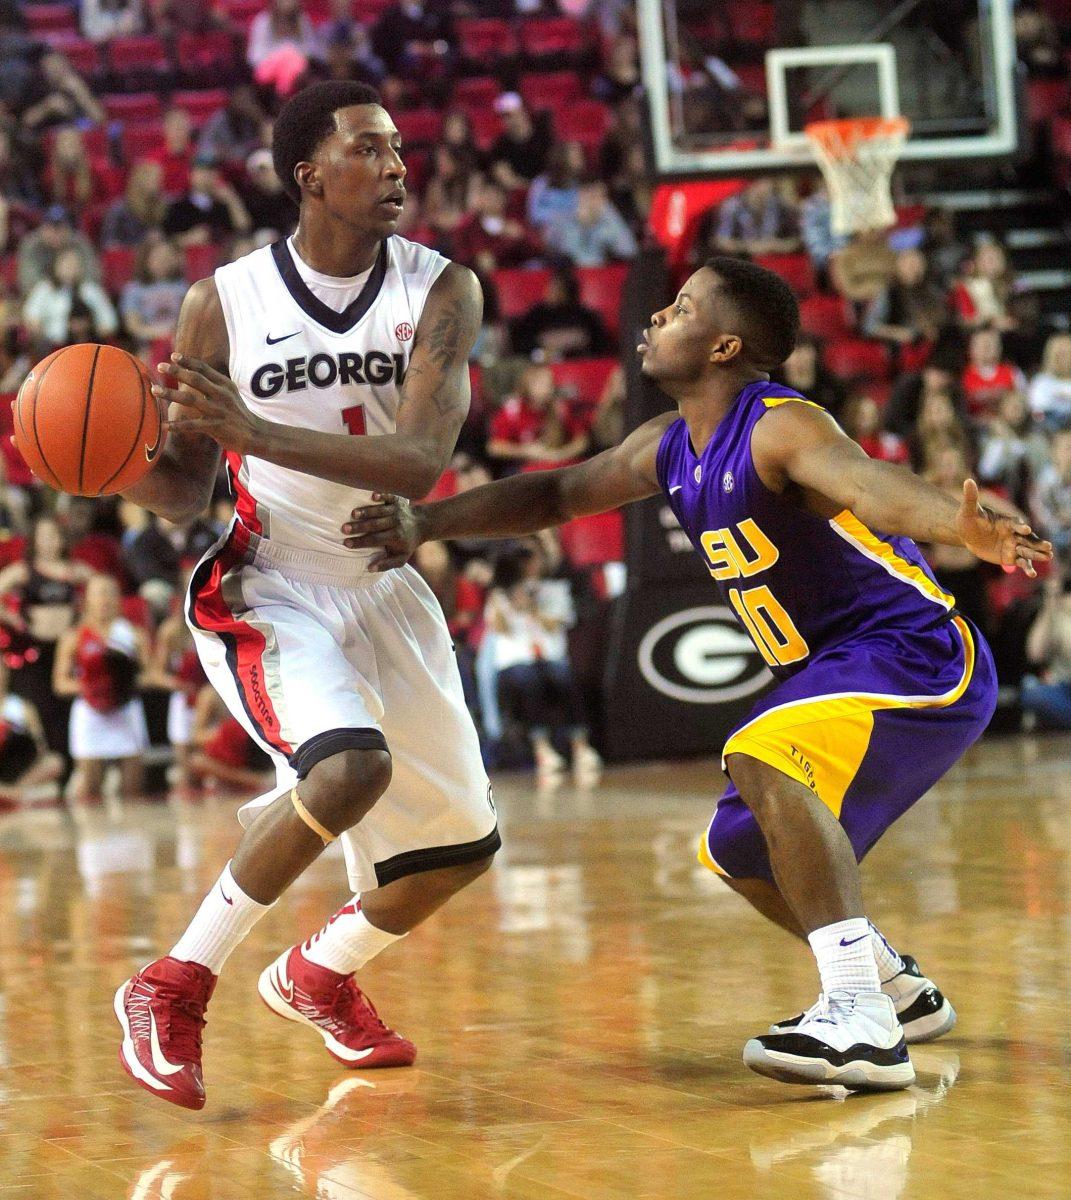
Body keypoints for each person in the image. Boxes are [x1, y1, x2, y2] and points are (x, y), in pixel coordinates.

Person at [347, 256, 1050, 1090]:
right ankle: (896, 992)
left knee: (758, 753)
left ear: (723, 346)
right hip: (832, 663)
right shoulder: (666, 444)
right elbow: (558, 494)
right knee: (736, 847)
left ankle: (858, 1019)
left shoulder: (780, 426)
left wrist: (955, 525)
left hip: (912, 647)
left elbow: (873, 488)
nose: (654, 319)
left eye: (679, 309)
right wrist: (428, 520)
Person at [112, 80, 499, 1111]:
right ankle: (171, 985)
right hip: (266, 582)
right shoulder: (224, 301)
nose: (397, 167)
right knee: (347, 770)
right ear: (308, 174)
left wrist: (253, 431)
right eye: (369, 150)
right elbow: (188, 486)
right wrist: (108, 463)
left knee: (461, 849)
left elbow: (418, 463)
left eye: (401, 148)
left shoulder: (441, 289)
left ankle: (318, 972)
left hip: (383, 580)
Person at [52, 573, 151, 803]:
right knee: (90, 788)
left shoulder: (135, 635)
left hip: (126, 710)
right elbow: (60, 683)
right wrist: (93, 686)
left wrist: (122, 683)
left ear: (119, 600)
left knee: (133, 789)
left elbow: (149, 675)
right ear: (87, 600)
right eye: (99, 594)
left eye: (110, 593)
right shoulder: (74, 636)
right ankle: (92, 836)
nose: (105, 599)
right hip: (90, 714)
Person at [22, 246, 119, 352]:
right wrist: (41, 334)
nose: (71, 268)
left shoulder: (91, 290)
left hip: (86, 347)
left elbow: (110, 322)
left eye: (74, 264)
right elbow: (31, 317)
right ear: (56, 265)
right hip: (51, 348)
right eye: (67, 263)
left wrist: (90, 334)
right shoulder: (44, 290)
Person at [0, 658, 63, 809]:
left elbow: (40, 745)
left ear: (6, 673)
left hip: (16, 769)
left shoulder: (22, 706)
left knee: (55, 762)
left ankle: (12, 791)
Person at [544, 175, 638, 268]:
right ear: (581, 195)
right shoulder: (563, 218)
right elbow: (556, 252)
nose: (599, 202)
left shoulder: (609, 216)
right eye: (593, 196)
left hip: (604, 274)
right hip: (572, 276)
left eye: (602, 196)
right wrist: (583, 225)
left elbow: (630, 250)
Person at [163, 154, 252, 247]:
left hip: (224, 257)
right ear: (191, 175)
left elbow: (244, 229)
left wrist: (232, 200)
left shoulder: (224, 205)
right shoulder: (178, 207)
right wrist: (188, 238)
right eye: (201, 171)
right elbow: (167, 239)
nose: (206, 175)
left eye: (210, 171)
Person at [120, 238, 188, 358]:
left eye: (167, 256)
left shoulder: (183, 287)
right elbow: (132, 325)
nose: (163, 261)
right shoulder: (134, 289)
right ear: (145, 260)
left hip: (178, 343)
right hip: (146, 346)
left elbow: (189, 320)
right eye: (157, 257)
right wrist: (157, 333)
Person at [101, 159, 169, 249]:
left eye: (160, 180)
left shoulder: (162, 205)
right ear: (141, 182)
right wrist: (142, 244)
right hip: (129, 257)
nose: (159, 184)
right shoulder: (119, 210)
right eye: (154, 180)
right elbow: (109, 244)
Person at [1028, 332, 1071, 430]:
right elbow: (1037, 414)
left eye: (1066, 354)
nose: (1062, 359)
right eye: (1058, 355)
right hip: (1047, 432)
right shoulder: (1040, 382)